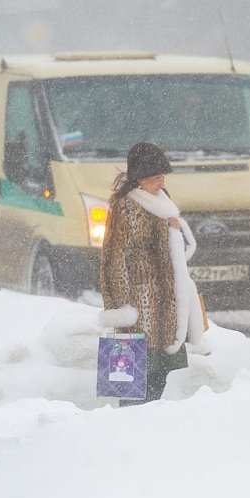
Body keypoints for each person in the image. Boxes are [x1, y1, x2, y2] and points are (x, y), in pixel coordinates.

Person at [98, 142, 206, 405]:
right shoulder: (125, 207)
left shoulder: (163, 204)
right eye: (156, 177)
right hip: (139, 310)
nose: (161, 181)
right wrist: (123, 308)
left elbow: (177, 256)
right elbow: (114, 260)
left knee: (159, 376)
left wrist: (174, 231)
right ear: (140, 178)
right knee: (131, 383)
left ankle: (148, 430)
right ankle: (128, 432)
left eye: (163, 176)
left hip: (165, 309)